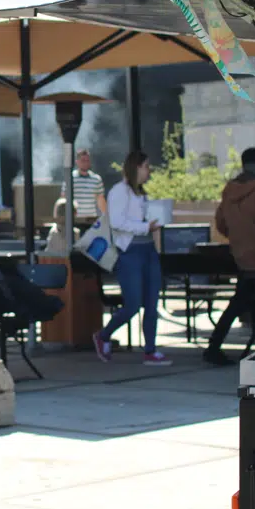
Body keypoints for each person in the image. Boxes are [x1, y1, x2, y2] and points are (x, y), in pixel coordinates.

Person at [205, 148, 255, 366]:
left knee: (236, 304)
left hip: (243, 258)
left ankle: (213, 347)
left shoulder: (230, 190)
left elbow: (221, 223)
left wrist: (240, 238)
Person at [93, 151, 169, 366]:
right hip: (130, 253)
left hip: (148, 251)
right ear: (135, 167)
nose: (149, 171)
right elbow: (117, 222)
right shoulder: (119, 192)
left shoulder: (141, 194)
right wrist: (146, 226)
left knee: (152, 304)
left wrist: (154, 223)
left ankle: (150, 350)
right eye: (146, 166)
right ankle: (103, 335)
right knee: (133, 304)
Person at [69, 148, 106, 230]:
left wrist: (105, 219)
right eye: (83, 160)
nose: (86, 163)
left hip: (91, 221)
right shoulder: (70, 178)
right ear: (77, 162)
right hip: (75, 222)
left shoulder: (96, 179)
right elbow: (64, 199)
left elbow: (100, 201)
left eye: (87, 160)